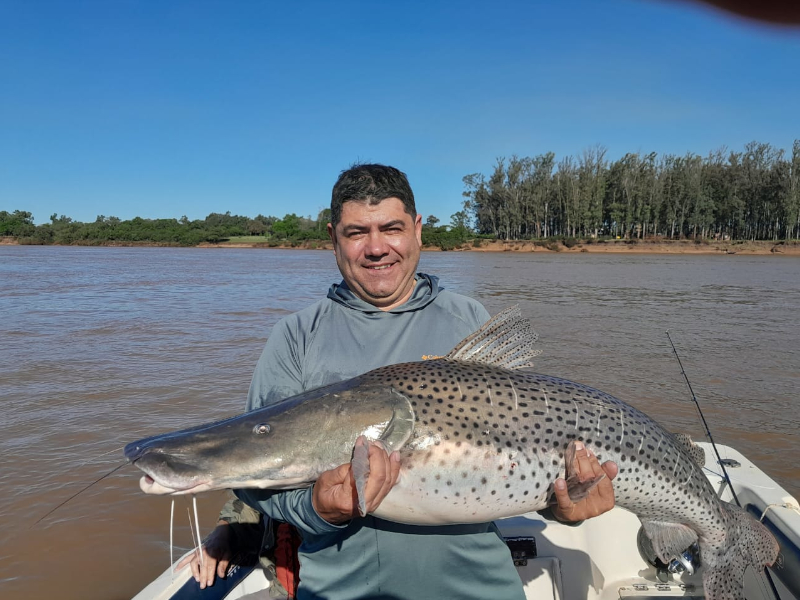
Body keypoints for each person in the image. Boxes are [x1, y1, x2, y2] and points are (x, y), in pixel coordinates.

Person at [179, 164, 618, 599]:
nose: (376, 248)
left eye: (391, 228)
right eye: (356, 233)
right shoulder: (295, 336)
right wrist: (317, 509)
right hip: (339, 592)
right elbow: (256, 477)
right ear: (333, 238)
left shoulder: (468, 320)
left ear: (417, 230)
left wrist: (568, 508)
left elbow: (520, 466)